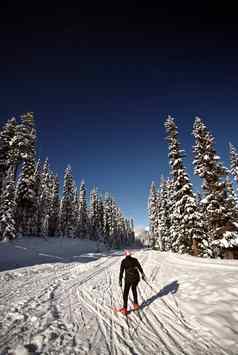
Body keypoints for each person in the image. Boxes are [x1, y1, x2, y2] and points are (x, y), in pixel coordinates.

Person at [119, 250, 146, 315]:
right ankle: (136, 305)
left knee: (126, 293)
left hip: (128, 279)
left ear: (125, 255)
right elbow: (140, 267)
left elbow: (121, 272)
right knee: (134, 289)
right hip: (136, 278)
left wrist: (120, 280)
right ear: (130, 254)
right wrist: (142, 274)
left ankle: (125, 309)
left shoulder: (123, 261)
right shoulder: (135, 260)